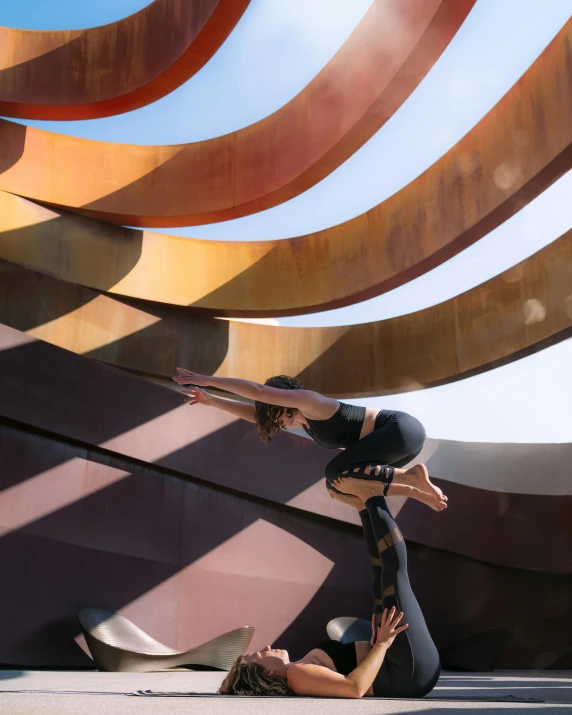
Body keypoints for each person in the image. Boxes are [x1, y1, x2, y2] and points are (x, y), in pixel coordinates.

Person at [218, 479, 441, 698]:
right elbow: (354, 688)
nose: (266, 647)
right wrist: (381, 645)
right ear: (267, 672)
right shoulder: (297, 675)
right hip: (407, 674)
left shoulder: (300, 668)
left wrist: (376, 644)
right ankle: (372, 498)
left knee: (382, 573)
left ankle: (365, 505)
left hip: (401, 667)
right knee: (393, 573)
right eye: (260, 654)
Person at [172, 369, 447, 511]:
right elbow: (256, 415)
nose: (277, 422)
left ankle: (410, 477)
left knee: (334, 470)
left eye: (275, 412)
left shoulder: (311, 402)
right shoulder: (305, 424)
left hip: (400, 430)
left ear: (283, 400)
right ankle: (407, 488)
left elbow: (257, 391)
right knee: (338, 486)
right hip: (395, 448)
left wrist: (207, 380)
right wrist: (211, 401)